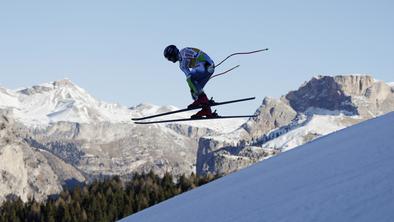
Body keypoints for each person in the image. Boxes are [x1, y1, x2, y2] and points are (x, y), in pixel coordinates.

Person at [163, 45, 218, 118]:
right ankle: (207, 110)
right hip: (205, 68)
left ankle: (201, 101)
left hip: (205, 64)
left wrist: (207, 64)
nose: (170, 59)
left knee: (193, 83)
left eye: (169, 57)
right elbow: (189, 79)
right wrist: (192, 91)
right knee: (197, 88)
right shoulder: (182, 66)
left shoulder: (184, 52)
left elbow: (198, 55)